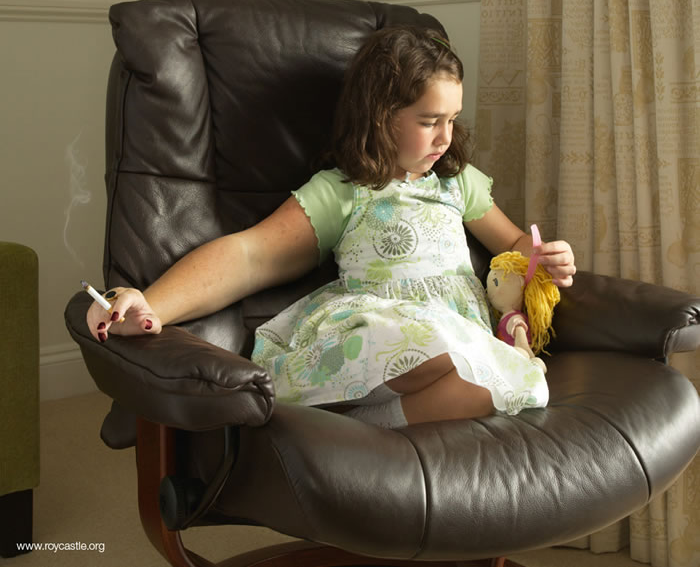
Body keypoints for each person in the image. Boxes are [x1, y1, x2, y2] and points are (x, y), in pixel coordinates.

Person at [86, 26, 576, 427]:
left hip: (458, 340)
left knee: (495, 385)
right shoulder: (345, 189)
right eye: (430, 121)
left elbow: (514, 244)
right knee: (440, 347)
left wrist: (544, 257)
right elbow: (248, 257)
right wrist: (151, 304)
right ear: (382, 117)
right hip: (387, 331)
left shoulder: (457, 183)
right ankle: (354, 418)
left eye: (453, 119)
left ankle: (369, 431)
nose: (446, 138)